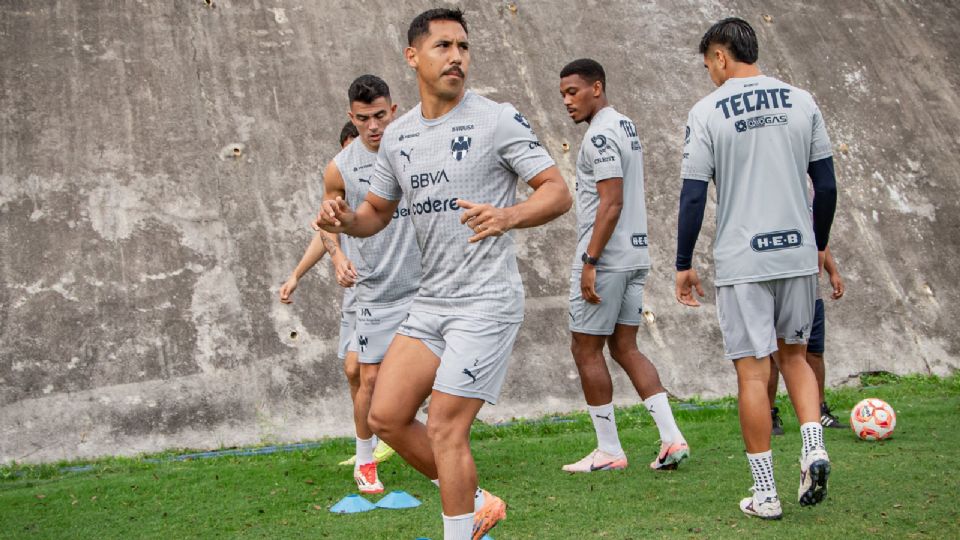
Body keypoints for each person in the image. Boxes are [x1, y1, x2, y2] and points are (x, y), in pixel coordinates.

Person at [316, 9, 571, 539]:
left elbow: (556, 192)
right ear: (413, 57)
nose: (456, 56)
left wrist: (507, 216)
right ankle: (477, 501)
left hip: (485, 301)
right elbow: (376, 216)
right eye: (442, 46)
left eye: (463, 46)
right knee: (385, 415)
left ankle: (460, 531)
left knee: (445, 427)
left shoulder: (496, 118)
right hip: (430, 303)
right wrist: (344, 220)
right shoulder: (399, 135)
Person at [675, 17, 838, 519]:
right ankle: (813, 446)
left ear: (721, 57)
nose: (709, 74)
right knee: (795, 358)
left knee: (752, 373)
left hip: (744, 259)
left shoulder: (707, 111)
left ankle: (765, 494)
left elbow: (694, 193)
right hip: (796, 252)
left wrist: (683, 263)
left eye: (709, 65)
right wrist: (818, 245)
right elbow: (827, 186)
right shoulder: (802, 100)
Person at [557, 58, 688, 474]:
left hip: (608, 259)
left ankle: (609, 450)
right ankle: (672, 439)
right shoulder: (626, 125)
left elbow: (611, 202)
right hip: (635, 256)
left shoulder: (599, 135)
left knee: (585, 347)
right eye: (562, 94)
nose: (567, 101)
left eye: (573, 91)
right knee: (626, 347)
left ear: (597, 87)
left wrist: (590, 260)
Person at [316, 75, 420, 494]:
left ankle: (438, 449)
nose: (373, 126)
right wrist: (338, 254)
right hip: (375, 288)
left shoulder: (414, 146)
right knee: (367, 379)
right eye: (363, 119)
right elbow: (324, 223)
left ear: (393, 110)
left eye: (380, 115)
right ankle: (365, 461)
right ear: (351, 118)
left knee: (439, 376)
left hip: (424, 284)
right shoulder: (340, 166)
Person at [279, 121, 393, 468]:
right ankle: (372, 440)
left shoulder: (386, 180)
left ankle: (382, 439)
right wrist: (297, 274)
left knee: (369, 370)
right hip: (357, 290)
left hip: (389, 287)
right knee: (352, 370)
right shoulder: (341, 181)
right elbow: (326, 233)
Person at [769, 246, 846, 435]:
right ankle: (768, 414)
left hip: (810, 292)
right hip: (776, 288)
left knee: (814, 351)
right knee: (771, 355)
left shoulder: (807, 215)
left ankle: (819, 410)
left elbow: (820, 237)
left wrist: (833, 272)